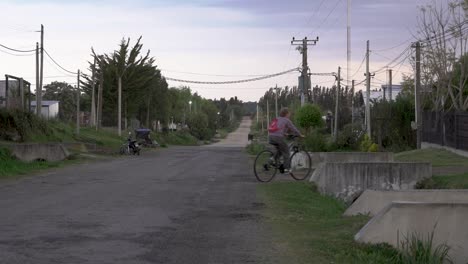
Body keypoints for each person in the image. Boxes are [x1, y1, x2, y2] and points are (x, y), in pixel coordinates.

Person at [268, 107, 304, 173]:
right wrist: (300, 135)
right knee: (286, 150)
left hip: (270, 137)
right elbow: (293, 128)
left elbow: (277, 128)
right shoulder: (286, 120)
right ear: (286, 114)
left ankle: (272, 159)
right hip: (278, 138)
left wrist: (284, 133)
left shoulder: (277, 118)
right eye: (289, 113)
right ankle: (287, 168)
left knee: (281, 149)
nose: (289, 114)